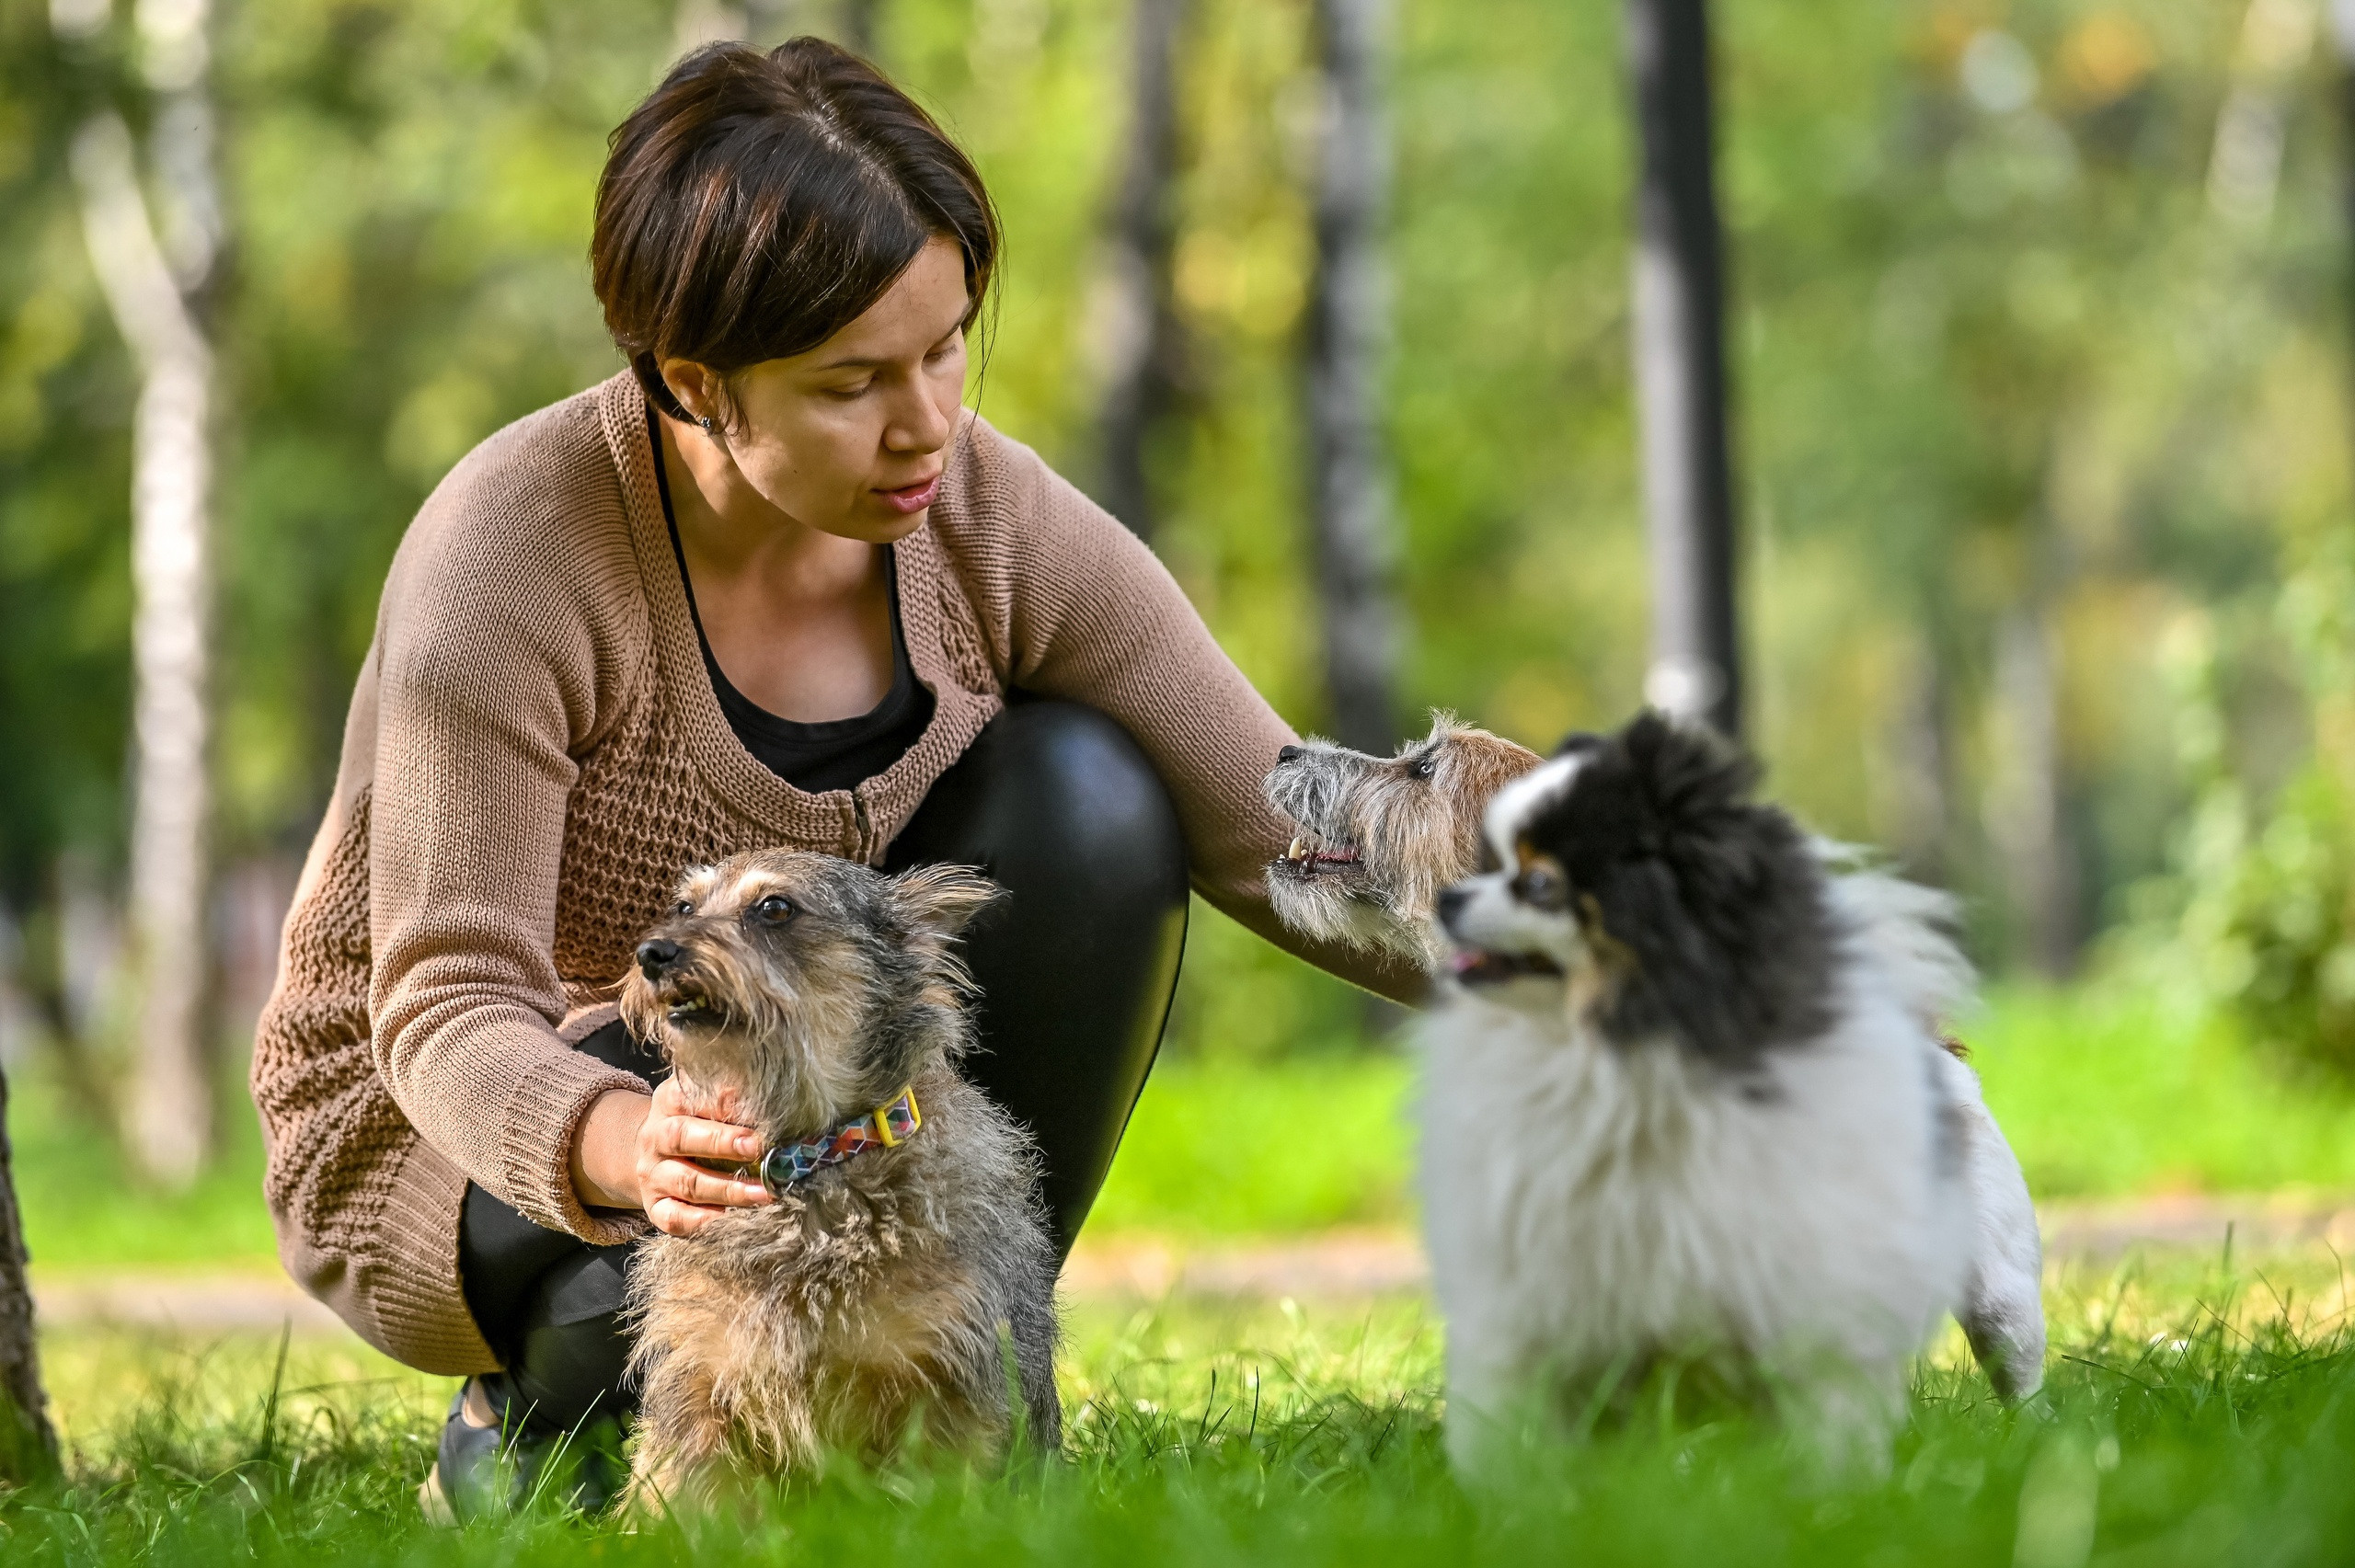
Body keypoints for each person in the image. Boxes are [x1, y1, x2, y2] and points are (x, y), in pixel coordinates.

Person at [248, 36, 1420, 1516]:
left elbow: (1285, 830)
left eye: (946, 348)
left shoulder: (978, 511)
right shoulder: (513, 554)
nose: (927, 420)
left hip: (847, 1119)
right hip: (483, 1127)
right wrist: (630, 1143)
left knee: (1093, 797)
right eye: (852, 380)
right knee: (649, 1269)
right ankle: (552, 1421)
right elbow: (440, 1005)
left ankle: (955, 1375)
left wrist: (1645, 993)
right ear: (694, 383)